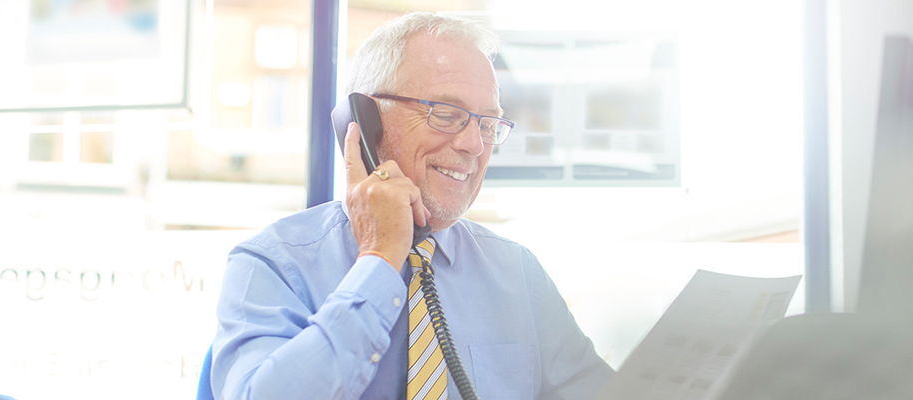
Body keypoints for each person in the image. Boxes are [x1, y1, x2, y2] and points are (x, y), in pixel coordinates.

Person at [211, 12, 613, 400]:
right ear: (366, 121)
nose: (474, 145)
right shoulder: (274, 264)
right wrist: (380, 259)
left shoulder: (518, 275)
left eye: (488, 124)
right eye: (446, 114)